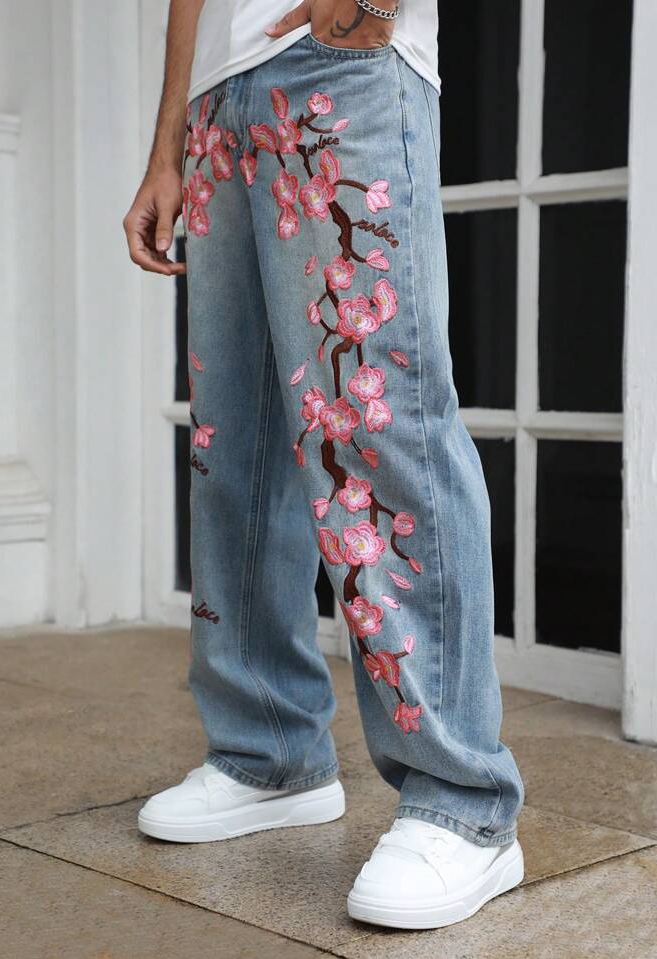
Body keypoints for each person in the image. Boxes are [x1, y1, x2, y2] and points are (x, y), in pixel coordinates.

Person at [124, 0, 525, 930]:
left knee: (378, 424)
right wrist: (168, 141)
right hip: (219, 104)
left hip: (339, 63)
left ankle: (464, 802)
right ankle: (269, 752)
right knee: (236, 440)